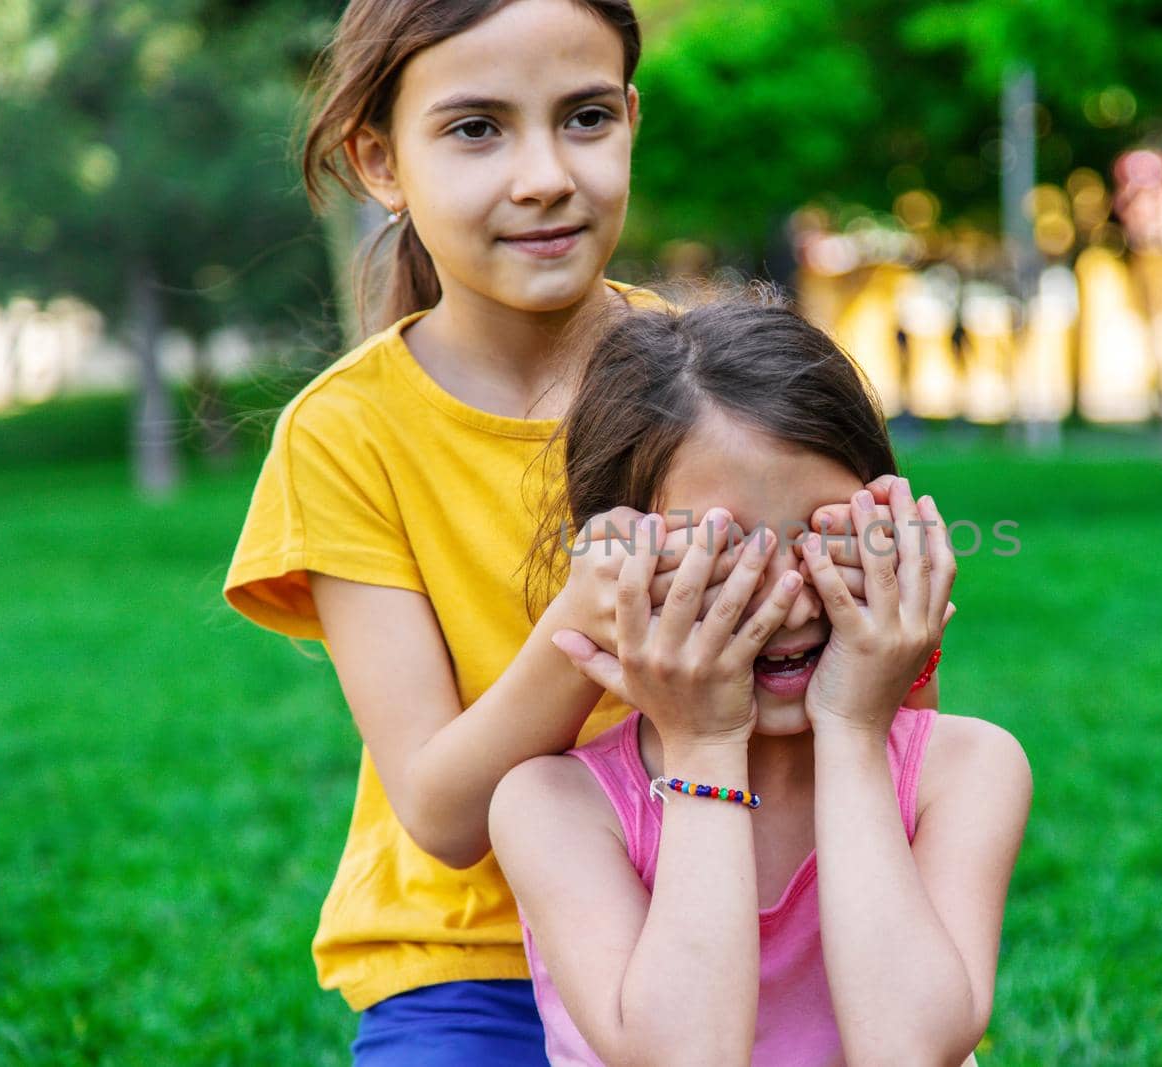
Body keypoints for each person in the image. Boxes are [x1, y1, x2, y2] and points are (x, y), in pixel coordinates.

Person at [222, 2, 939, 1061]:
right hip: (470, 961)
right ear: (380, 159)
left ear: (632, 121)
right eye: (476, 129)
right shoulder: (346, 435)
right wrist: (588, 615)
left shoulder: (719, 384)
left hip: (744, 914)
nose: (545, 174)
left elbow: (867, 692)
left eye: (586, 117)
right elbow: (441, 810)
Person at [491, 296, 1031, 1065]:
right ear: (617, 573)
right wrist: (704, 744)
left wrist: (851, 729)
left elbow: (910, 1048)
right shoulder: (555, 808)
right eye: (726, 549)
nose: (790, 595)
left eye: (826, 530)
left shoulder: (967, 769)